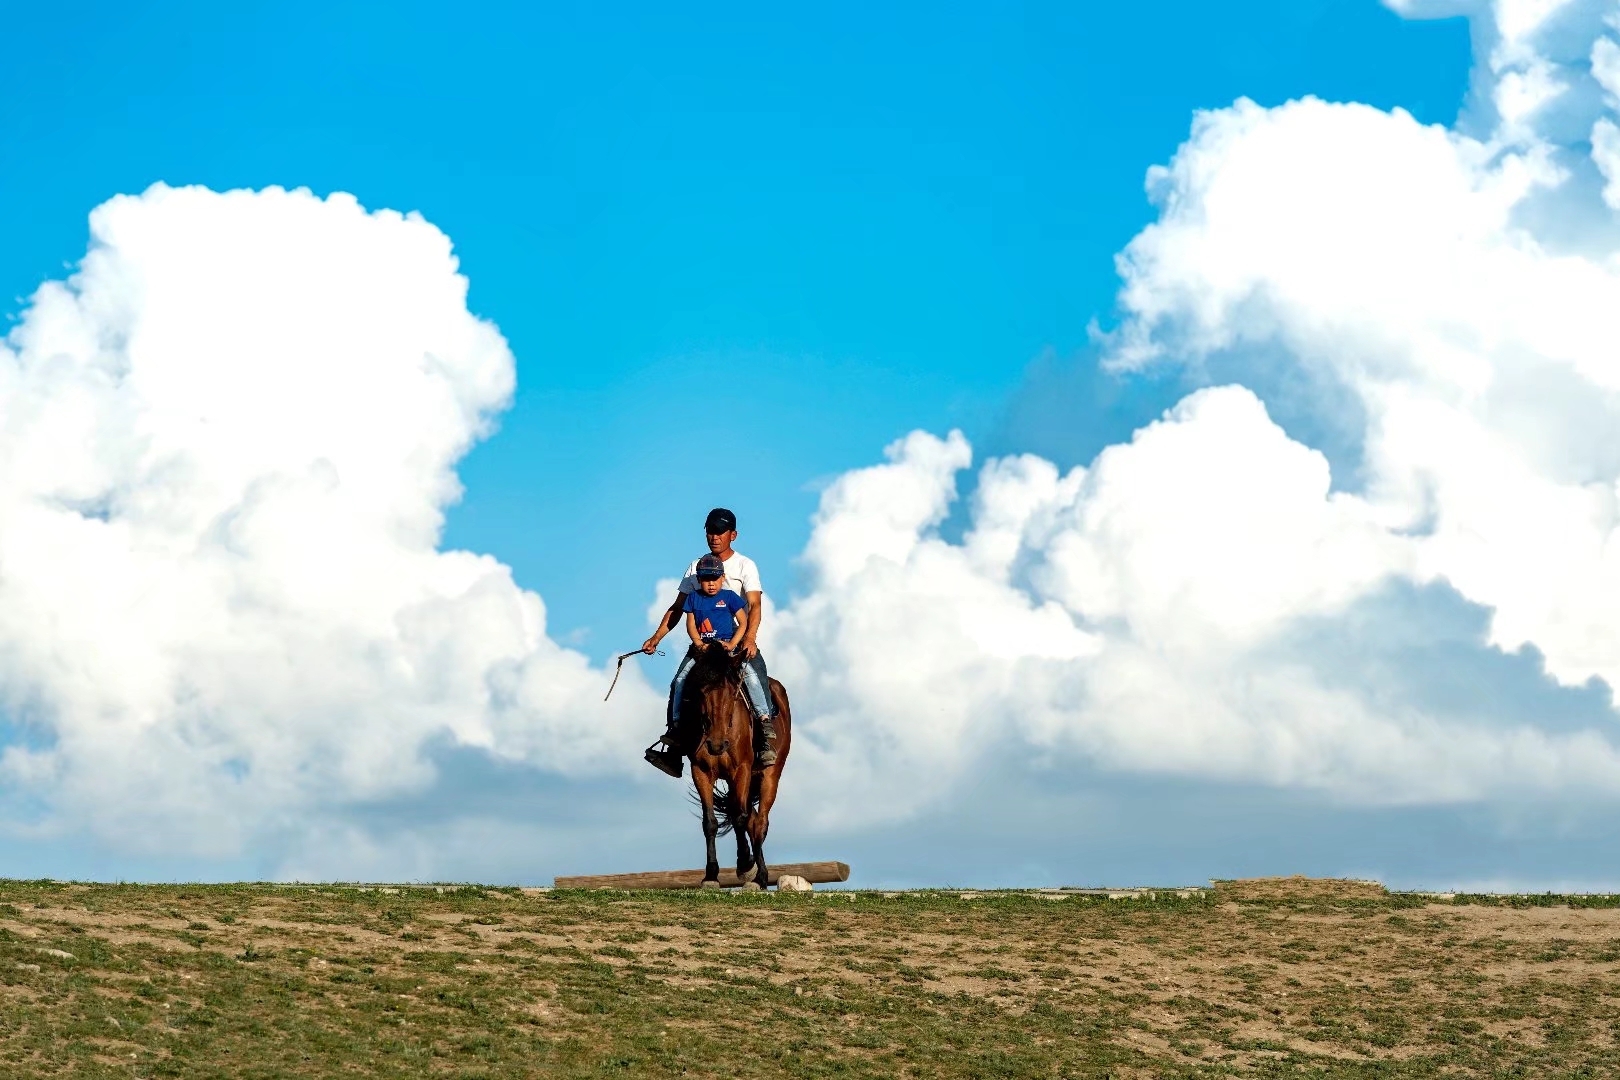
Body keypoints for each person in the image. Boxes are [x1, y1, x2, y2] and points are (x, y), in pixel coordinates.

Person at [642, 507, 777, 777]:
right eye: (710, 531)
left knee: (754, 675)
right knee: (680, 681)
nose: (714, 537)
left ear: (733, 535)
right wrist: (656, 637)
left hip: (733, 640)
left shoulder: (744, 565)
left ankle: (764, 733)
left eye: (719, 531)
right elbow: (679, 606)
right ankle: (675, 742)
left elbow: (754, 604)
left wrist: (750, 637)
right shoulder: (696, 566)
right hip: (703, 644)